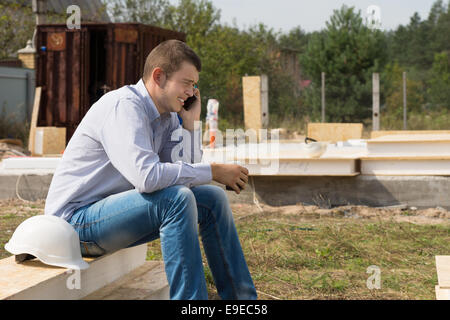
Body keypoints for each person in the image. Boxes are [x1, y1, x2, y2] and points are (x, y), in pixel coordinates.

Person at [44, 39, 257, 300]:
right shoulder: (124, 107)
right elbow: (147, 178)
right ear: (159, 76)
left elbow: (184, 178)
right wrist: (212, 170)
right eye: (187, 83)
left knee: (212, 198)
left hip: (111, 215)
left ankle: (242, 301)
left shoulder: (166, 117)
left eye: (194, 86)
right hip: (74, 224)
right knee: (175, 201)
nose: (192, 92)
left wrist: (190, 125)